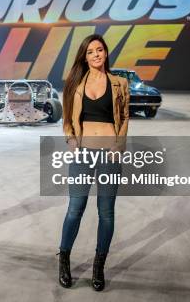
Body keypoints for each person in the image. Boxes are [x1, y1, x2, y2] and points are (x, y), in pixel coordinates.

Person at [57, 34, 129, 291]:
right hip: (83, 153)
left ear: (106, 53)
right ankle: (64, 258)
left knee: (106, 213)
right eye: (90, 51)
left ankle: (99, 265)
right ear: (84, 56)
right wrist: (71, 141)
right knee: (75, 208)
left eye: (99, 50)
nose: (96, 54)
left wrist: (119, 146)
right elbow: (67, 117)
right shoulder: (74, 83)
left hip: (110, 153)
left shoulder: (120, 83)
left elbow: (124, 119)